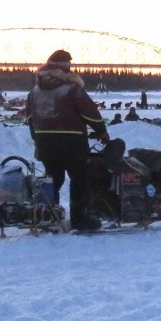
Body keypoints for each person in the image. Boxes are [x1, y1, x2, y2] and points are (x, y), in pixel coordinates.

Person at [24, 50, 109, 232]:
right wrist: (101, 131)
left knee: (53, 178)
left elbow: (30, 118)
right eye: (69, 64)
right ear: (65, 67)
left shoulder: (35, 92)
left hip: (45, 143)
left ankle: (47, 215)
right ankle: (80, 220)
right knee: (80, 180)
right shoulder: (72, 89)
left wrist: (38, 138)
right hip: (72, 143)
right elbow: (90, 113)